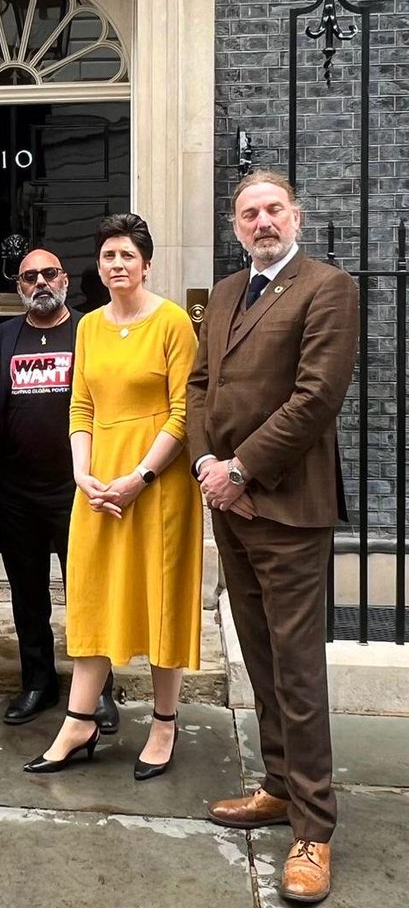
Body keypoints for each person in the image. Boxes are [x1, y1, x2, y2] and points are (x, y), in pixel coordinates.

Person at [187, 171, 358, 906]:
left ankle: (314, 831)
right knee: (258, 655)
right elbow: (198, 385)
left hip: (285, 507)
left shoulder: (328, 288)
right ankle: (279, 787)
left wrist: (241, 469)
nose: (261, 222)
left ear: (297, 214)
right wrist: (203, 464)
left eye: (273, 210)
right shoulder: (225, 292)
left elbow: (315, 397)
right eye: (249, 213)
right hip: (228, 503)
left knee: (295, 669)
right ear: (234, 225)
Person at [26, 214, 201, 781]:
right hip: (99, 484)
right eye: (108, 256)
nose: (117, 265)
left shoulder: (173, 322)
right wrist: (83, 472)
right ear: (97, 268)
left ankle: (165, 722)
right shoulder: (89, 327)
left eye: (127, 255)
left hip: (158, 484)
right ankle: (78, 721)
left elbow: (184, 411)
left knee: (161, 595)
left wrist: (141, 477)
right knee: (93, 595)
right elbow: (81, 406)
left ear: (146, 263)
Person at [0, 249, 119, 729]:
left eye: (49, 273)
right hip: (15, 492)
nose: (40, 282)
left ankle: (99, 692)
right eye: (29, 276)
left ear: (63, 279)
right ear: (19, 286)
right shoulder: (2, 338)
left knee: (86, 593)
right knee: (27, 595)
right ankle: (38, 683)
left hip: (78, 490)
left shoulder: (91, 329)